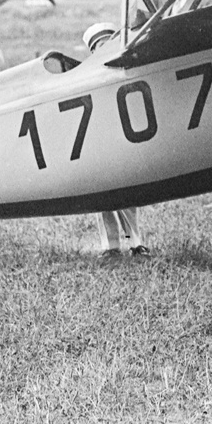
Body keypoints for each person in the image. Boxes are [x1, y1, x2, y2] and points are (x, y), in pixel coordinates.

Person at [82, 22, 148, 258]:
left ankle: (135, 242)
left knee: (127, 199)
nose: (106, 47)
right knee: (104, 202)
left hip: (122, 140)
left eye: (110, 41)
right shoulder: (91, 73)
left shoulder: (126, 65)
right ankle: (110, 246)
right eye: (101, 44)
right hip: (101, 142)